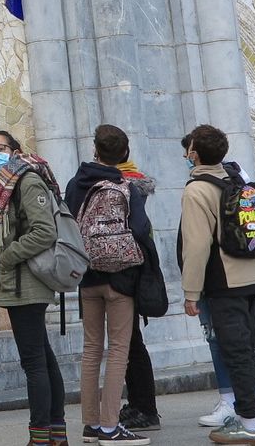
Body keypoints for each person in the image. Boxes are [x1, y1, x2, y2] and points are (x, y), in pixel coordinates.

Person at [63, 125, 153, 445]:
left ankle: (89, 424)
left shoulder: (76, 184)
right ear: (124, 154)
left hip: (87, 278)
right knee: (118, 351)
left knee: (91, 350)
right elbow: (141, 229)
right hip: (120, 280)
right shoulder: (126, 185)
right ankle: (110, 425)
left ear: (94, 149)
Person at [0, 130, 66, 446]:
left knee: (33, 362)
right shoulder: (8, 186)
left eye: (0, 148)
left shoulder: (26, 181)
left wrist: (5, 256)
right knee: (42, 356)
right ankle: (56, 433)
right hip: (18, 282)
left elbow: (44, 231)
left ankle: (40, 436)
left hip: (26, 281)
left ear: (16, 150)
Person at [179, 126, 255, 445]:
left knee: (235, 351)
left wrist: (191, 293)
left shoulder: (196, 190)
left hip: (224, 281)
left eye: (188, 149)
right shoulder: (237, 180)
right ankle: (249, 415)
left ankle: (248, 422)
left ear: (195, 154)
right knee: (246, 349)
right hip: (252, 276)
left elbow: (197, 246)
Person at [115, 157, 162, 433]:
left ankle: (146, 408)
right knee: (131, 343)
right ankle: (138, 404)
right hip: (134, 274)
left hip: (128, 275)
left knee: (132, 345)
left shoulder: (126, 187)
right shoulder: (134, 185)